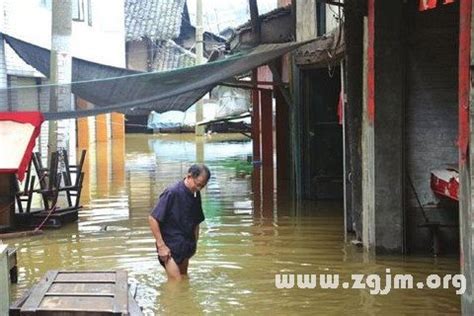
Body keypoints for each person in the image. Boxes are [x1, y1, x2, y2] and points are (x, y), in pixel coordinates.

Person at [148, 164, 210, 281]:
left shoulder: (196, 195)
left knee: (184, 278)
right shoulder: (172, 192)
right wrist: (161, 246)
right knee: (176, 281)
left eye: (202, 186)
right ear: (189, 176)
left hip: (185, 246)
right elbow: (152, 218)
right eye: (197, 184)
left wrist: (194, 244)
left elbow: (196, 221)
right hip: (169, 247)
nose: (199, 188)